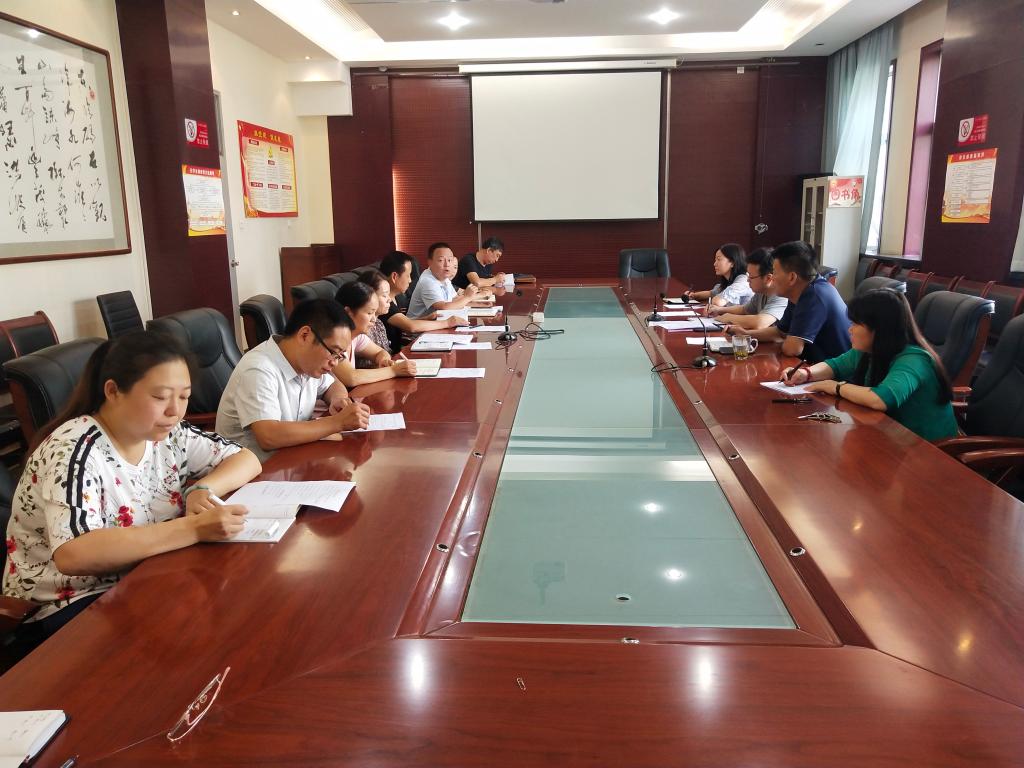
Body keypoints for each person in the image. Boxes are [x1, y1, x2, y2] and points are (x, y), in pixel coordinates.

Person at [3, 331, 262, 648]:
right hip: (68, 603)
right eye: (160, 397)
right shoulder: (73, 450)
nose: (175, 410)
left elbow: (246, 459)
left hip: (147, 573)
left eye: (184, 396)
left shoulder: (168, 434)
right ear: (113, 391)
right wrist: (193, 528)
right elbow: (74, 553)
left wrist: (203, 488)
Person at [780, 289, 958, 441]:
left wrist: (834, 386)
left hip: (929, 449)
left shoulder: (914, 359)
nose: (850, 329)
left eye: (856, 324)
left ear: (879, 329)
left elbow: (880, 399)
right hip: (891, 436)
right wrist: (806, 374)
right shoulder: (870, 350)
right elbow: (835, 366)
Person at [216, 299, 371, 458]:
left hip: (293, 457)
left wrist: (338, 399)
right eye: (333, 352)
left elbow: (333, 385)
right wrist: (338, 422)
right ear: (305, 335)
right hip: (254, 467)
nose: (335, 363)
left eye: (339, 356)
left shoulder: (306, 362)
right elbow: (268, 436)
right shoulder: (259, 368)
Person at [737, 241, 850, 363]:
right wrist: (746, 334)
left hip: (837, 372)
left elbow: (793, 349)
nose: (772, 278)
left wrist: (787, 340)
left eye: (774, 272)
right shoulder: (798, 293)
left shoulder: (814, 295)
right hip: (813, 366)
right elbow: (779, 332)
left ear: (792, 277)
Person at [374, 251, 470, 354]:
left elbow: (403, 325)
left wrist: (426, 318)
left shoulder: (396, 298)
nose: (410, 280)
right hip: (393, 355)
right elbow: (411, 326)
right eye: (408, 275)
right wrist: (448, 322)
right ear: (394, 277)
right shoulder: (384, 303)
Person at [333, 280, 418, 386]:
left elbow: (380, 352)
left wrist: (384, 360)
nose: (374, 319)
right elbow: (351, 377)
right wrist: (393, 371)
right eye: (369, 313)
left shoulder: (357, 336)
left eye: (374, 313)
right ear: (348, 313)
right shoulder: (332, 339)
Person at [712, 247, 790, 330]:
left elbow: (760, 322)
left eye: (751, 277)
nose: (747, 280)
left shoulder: (781, 294)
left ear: (768, 278)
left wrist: (729, 317)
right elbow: (744, 309)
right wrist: (720, 310)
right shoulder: (761, 291)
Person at [406, 242, 482, 319]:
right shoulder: (427, 281)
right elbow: (443, 308)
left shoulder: (443, 277)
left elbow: (454, 299)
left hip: (439, 321)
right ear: (430, 262)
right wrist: (467, 297)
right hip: (420, 325)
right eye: (441, 260)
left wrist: (477, 300)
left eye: (449, 260)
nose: (447, 264)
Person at [683, 244, 753, 307]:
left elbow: (718, 302)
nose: (714, 264)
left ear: (732, 263)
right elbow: (711, 293)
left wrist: (713, 301)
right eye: (715, 260)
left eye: (719, 259)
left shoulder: (743, 281)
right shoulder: (730, 279)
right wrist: (693, 296)